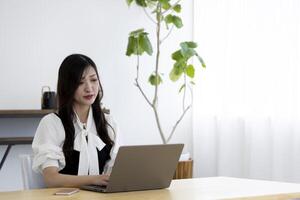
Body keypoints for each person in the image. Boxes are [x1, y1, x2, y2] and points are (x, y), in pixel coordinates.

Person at [32, 54, 120, 187]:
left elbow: (116, 171)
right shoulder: (51, 123)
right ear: (67, 86)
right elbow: (51, 179)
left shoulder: (108, 122)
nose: (89, 88)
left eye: (94, 80)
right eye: (80, 82)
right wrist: (94, 180)